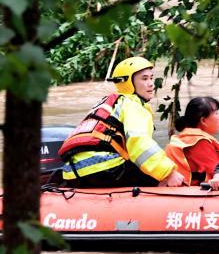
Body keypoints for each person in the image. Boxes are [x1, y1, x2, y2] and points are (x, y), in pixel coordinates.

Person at [59, 57, 186, 188]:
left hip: (72, 172)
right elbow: (140, 144)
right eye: (144, 79)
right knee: (158, 176)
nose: (151, 84)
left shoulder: (109, 102)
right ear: (128, 83)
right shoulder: (132, 104)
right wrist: (169, 173)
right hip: (102, 168)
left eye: (151, 78)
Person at [165, 97, 219, 186]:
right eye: (216, 113)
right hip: (195, 192)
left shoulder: (187, 137)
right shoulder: (200, 142)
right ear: (203, 120)